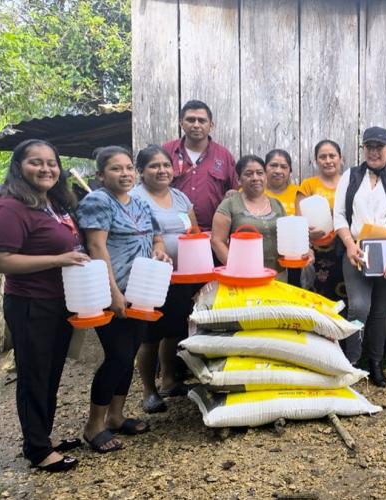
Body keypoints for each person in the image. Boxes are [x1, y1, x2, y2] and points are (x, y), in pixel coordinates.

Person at [0, 140, 88, 472]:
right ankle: (37, 449)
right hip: (31, 303)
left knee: (51, 372)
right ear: (19, 167)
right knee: (34, 375)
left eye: (51, 163)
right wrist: (58, 259)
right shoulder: (10, 207)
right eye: (36, 162)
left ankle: (44, 437)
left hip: (59, 302)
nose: (46, 169)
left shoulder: (54, 203)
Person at [77, 146, 171, 453]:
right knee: (116, 357)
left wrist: (159, 250)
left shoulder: (140, 203)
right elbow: (96, 247)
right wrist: (113, 292)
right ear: (100, 175)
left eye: (129, 168)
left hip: (142, 292)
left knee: (128, 355)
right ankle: (94, 426)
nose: (125, 173)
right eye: (116, 169)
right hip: (111, 293)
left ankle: (116, 417)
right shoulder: (97, 201)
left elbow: (155, 237)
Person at [333, 126, 386, 387]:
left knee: (380, 310)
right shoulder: (350, 176)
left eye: (380, 146)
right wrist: (348, 244)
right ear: (363, 149)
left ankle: (376, 364)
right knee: (359, 306)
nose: (374, 151)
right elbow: (340, 215)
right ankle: (351, 362)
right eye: (369, 146)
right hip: (357, 249)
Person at [130, 145, 198, 413]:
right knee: (150, 335)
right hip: (150, 276)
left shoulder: (180, 197)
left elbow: (194, 231)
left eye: (166, 165)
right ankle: (149, 390)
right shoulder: (135, 198)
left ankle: (169, 379)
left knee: (175, 330)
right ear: (142, 172)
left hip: (182, 276)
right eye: (154, 166)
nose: (162, 170)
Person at [212, 155, 306, 277]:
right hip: (244, 277)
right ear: (239, 180)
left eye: (260, 173)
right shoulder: (230, 204)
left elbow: (289, 237)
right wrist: (236, 269)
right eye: (248, 174)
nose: (255, 178)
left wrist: (304, 251)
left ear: (265, 177)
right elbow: (217, 241)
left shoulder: (276, 204)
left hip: (278, 275)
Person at [163, 100, 238, 232]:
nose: (196, 125)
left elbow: (235, 194)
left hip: (213, 233)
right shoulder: (167, 152)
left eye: (202, 121)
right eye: (191, 120)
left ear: (211, 125)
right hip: (173, 231)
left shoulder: (224, 156)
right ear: (181, 123)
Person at [297, 140, 347, 304]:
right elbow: (299, 222)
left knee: (344, 297)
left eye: (332, 156)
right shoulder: (308, 185)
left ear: (340, 158)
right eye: (322, 157)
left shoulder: (349, 183)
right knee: (318, 299)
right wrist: (307, 238)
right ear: (316, 160)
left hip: (345, 249)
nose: (328, 160)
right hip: (315, 252)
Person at [264, 149, 302, 285]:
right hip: (261, 257)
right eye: (273, 165)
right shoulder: (251, 191)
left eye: (284, 167)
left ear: (290, 171)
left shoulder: (298, 193)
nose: (278, 170)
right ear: (265, 168)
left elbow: (303, 226)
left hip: (292, 258)